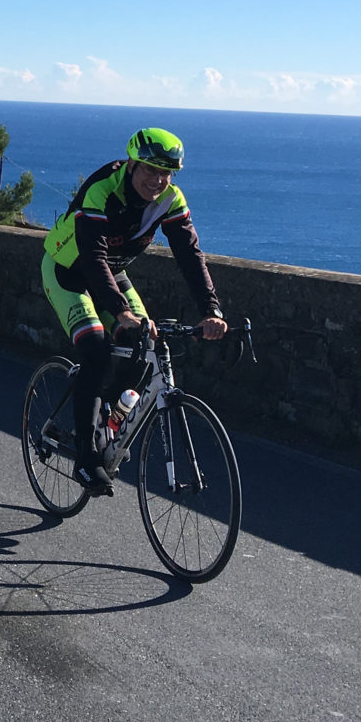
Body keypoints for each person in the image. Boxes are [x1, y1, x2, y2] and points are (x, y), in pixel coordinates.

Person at [41, 127, 227, 495]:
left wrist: (211, 310)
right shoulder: (102, 189)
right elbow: (92, 258)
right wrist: (119, 311)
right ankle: (86, 457)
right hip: (68, 271)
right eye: (149, 170)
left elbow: (190, 256)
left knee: (148, 348)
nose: (157, 181)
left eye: (165, 173)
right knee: (95, 348)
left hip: (112, 271)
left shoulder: (170, 199)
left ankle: (103, 420)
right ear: (130, 164)